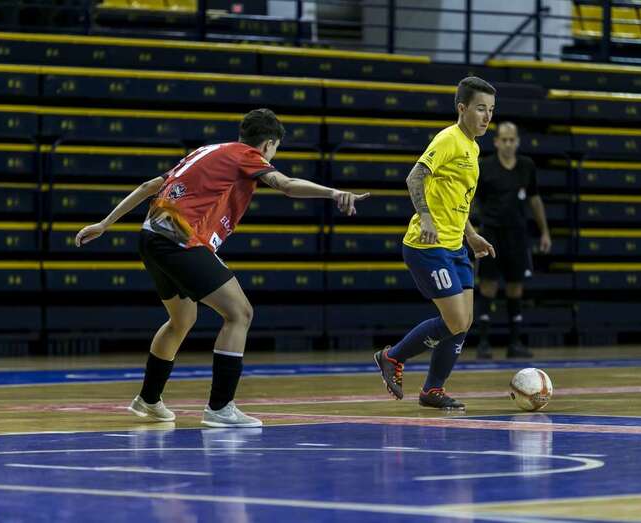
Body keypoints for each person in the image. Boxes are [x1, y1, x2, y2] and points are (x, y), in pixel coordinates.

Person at [75, 108, 368, 427]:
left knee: (181, 320)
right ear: (269, 144)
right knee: (240, 313)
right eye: (275, 150)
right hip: (178, 238)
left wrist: (105, 223)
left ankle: (148, 399)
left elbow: (149, 186)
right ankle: (220, 407)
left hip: (151, 234)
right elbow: (286, 185)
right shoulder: (247, 156)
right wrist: (334, 193)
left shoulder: (206, 151)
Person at [373, 76, 496, 410]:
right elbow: (415, 177)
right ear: (462, 108)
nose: (487, 117)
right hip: (427, 246)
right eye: (480, 109)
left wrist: (471, 236)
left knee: (464, 321)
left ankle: (432, 390)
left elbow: (459, 199)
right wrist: (425, 216)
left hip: (455, 245)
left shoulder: (473, 146)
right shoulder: (449, 139)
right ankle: (392, 356)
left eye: (491, 110)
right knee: (455, 320)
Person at [473, 122, 551, 359]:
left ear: (517, 141)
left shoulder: (526, 166)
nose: (508, 143)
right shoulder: (485, 165)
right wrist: (471, 230)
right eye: (503, 139)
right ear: (496, 141)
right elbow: (472, 199)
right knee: (488, 284)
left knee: (516, 286)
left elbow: (535, 199)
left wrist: (544, 231)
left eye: (512, 139)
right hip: (491, 232)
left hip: (518, 234)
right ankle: (483, 343)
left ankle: (515, 342)